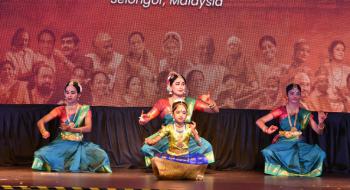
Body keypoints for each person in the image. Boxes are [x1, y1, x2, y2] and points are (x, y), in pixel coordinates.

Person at [139, 71, 218, 167]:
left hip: (185, 137)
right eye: (177, 84)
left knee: (207, 146)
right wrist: (143, 120)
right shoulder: (162, 103)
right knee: (146, 147)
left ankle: (184, 163)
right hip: (167, 137)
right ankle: (165, 162)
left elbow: (214, 110)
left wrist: (211, 102)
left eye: (183, 84)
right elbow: (147, 118)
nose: (181, 86)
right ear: (170, 86)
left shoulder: (191, 102)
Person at [32, 81, 112, 173]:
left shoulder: (84, 110)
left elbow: (88, 128)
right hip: (62, 144)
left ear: (78, 95)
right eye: (67, 92)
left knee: (102, 155)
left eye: (72, 93)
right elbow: (40, 122)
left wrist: (72, 129)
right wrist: (43, 131)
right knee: (41, 155)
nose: (69, 95)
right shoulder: (60, 109)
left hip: (78, 144)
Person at [256, 83, 327, 176]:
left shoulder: (305, 113)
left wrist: (321, 123)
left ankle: (296, 170)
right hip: (283, 143)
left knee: (320, 154)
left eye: (297, 93)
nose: (295, 96)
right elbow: (259, 121)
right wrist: (266, 129)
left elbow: (319, 131)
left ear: (300, 95)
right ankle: (284, 171)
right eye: (292, 93)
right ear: (287, 96)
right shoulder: (281, 110)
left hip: (299, 144)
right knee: (268, 152)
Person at [145, 101, 208, 180]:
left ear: (186, 115)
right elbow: (156, 140)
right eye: (178, 112)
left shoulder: (189, 127)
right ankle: (184, 173)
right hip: (171, 157)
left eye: (184, 113)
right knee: (155, 159)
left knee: (203, 159)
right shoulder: (169, 127)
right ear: (173, 114)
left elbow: (199, 144)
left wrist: (194, 132)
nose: (181, 115)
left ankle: (173, 173)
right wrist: (149, 142)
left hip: (185, 157)